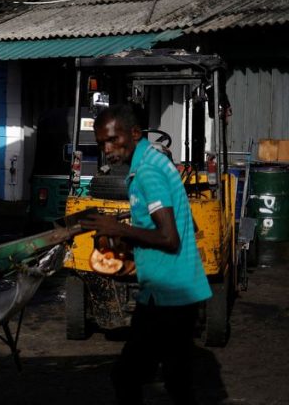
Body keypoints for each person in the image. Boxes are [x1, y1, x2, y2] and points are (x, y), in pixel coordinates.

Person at [80, 105, 211, 405]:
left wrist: (120, 229)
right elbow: (184, 222)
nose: (108, 149)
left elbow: (168, 237)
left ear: (135, 133)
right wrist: (128, 246)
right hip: (171, 291)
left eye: (113, 140)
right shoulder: (150, 162)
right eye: (102, 144)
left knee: (127, 377)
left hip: (169, 296)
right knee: (176, 381)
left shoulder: (148, 172)